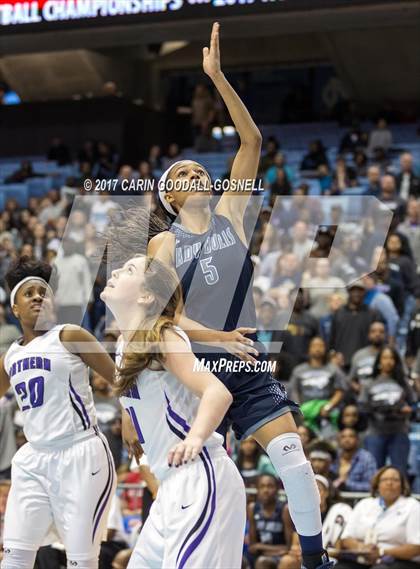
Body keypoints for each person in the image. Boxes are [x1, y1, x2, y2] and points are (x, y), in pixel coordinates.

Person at [112, 22, 331, 569]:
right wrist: (217, 337)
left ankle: (314, 558)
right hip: (195, 366)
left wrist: (217, 78)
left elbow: (251, 141)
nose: (196, 172)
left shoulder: (231, 214)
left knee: (292, 457)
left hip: (244, 359)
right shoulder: (164, 241)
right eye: (183, 172)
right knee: (198, 478)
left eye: (197, 167)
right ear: (170, 194)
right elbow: (168, 316)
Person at [100, 254, 246, 568]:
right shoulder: (126, 348)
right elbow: (138, 433)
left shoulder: (163, 334)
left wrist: (194, 438)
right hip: (171, 488)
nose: (115, 271)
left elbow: (216, 392)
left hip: (201, 475)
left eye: (128, 270)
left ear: (145, 296)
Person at [0, 258, 117, 569]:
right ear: (15, 309)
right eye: (30, 293)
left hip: (80, 453)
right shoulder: (10, 356)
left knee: (81, 562)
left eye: (44, 292)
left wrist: (131, 421)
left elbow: (120, 380)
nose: (39, 297)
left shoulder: (70, 335)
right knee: (13, 561)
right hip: (34, 459)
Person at [336, 466, 420, 569]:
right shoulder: (364, 504)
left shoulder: (413, 506)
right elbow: (346, 538)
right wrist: (361, 547)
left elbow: (416, 547)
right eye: (385, 479)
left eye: (395, 480)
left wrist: (381, 551)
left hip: (397, 560)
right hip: (362, 556)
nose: (389, 483)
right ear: (377, 485)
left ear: (402, 485)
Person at [360, 345, 416, 473]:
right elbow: (363, 406)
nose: (388, 361)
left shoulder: (403, 382)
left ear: (396, 361)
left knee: (399, 471)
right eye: (385, 358)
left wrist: (408, 409)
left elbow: (413, 404)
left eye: (391, 358)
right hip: (376, 432)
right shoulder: (369, 382)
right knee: (374, 471)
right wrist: (383, 409)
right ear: (379, 361)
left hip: (399, 432)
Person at [279, 475, 352, 569]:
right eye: (309, 491)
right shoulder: (303, 513)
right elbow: (295, 545)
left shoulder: (338, 512)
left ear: (327, 493)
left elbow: (337, 549)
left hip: (328, 557)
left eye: (318, 490)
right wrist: (297, 551)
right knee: (287, 561)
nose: (313, 494)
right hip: (305, 556)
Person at [247, 474, 292, 569]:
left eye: (270, 486)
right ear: (257, 490)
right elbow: (252, 547)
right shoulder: (252, 508)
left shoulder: (284, 509)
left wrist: (260, 547)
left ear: (277, 489)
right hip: (261, 554)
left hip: (279, 557)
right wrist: (259, 547)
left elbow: (288, 547)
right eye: (262, 486)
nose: (265, 490)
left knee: (262, 563)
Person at [347, 321, 386, 398]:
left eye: (381, 332)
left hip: (385, 395)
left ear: (385, 335)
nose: (377, 334)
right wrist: (359, 389)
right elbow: (350, 380)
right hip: (363, 397)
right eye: (373, 331)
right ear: (369, 335)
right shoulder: (359, 355)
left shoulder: (392, 354)